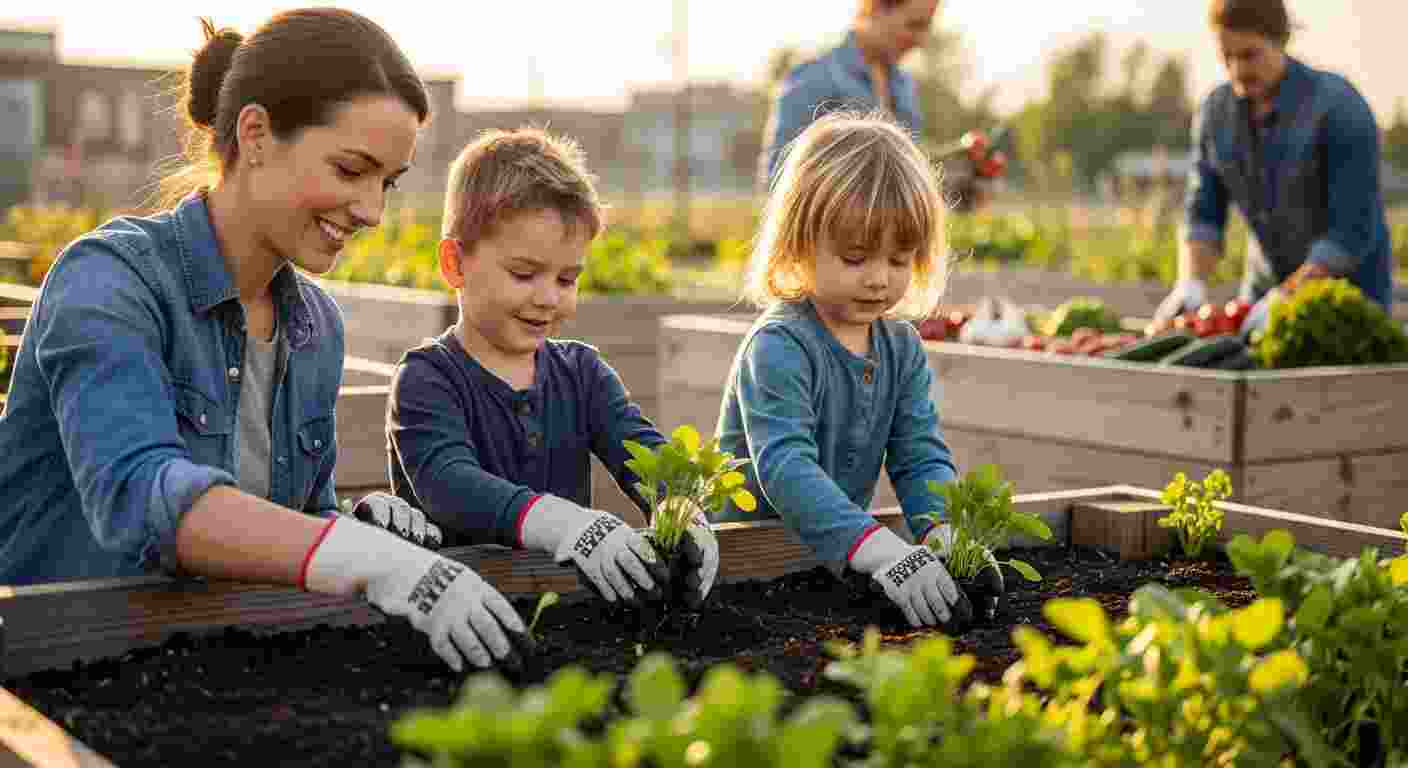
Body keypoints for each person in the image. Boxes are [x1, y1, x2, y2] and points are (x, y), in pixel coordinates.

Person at [0, 10, 531, 675]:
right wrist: (368, 560)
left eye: (387, 183)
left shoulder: (315, 328)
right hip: (48, 672)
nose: (372, 210)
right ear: (254, 134)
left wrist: (359, 527)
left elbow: (293, 525)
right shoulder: (108, 282)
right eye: (351, 169)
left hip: (207, 673)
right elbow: (140, 496)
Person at [386, 128, 721, 611]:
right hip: (457, 617)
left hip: (569, 608)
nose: (548, 298)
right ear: (455, 263)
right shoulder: (427, 379)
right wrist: (564, 525)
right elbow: (448, 485)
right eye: (524, 274)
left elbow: (646, 454)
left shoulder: (582, 373)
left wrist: (683, 508)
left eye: (566, 279)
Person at [717, 110, 975, 631]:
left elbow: (919, 456)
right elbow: (785, 468)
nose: (879, 279)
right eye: (856, 258)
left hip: (837, 557)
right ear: (798, 243)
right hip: (747, 568)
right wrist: (880, 548)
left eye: (899, 260)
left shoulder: (901, 348)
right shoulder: (779, 345)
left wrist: (945, 535)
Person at [1150, 0, 1394, 336]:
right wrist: (1190, 283)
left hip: (1346, 303)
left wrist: (1291, 294)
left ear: (1281, 39)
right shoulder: (1216, 114)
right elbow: (1203, 214)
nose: (1237, 69)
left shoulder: (1338, 107)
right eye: (1227, 56)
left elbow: (1350, 231)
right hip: (1260, 298)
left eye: (1249, 55)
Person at [758, 0, 939, 186]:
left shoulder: (905, 86)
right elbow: (778, 179)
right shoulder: (813, 78)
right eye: (913, 25)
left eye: (926, 28)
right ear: (876, 9)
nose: (920, 41)